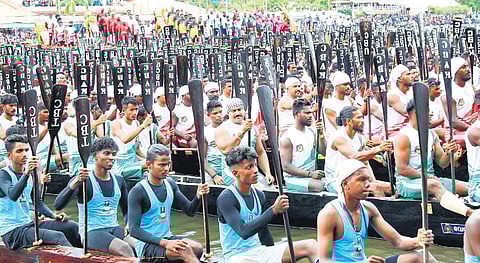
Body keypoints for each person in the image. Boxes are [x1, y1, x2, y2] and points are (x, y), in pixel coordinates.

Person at [317, 159, 437, 263]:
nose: (368, 184)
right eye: (362, 180)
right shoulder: (329, 214)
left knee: (422, 256)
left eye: (368, 180)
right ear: (345, 184)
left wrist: (419, 241)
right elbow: (324, 261)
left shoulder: (369, 209)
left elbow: (398, 241)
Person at [217, 146, 320, 263]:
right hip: (236, 256)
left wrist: (273, 253)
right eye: (249, 167)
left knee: (311, 245)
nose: (255, 170)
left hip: (259, 251)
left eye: (255, 165)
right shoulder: (226, 198)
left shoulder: (259, 195)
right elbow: (243, 232)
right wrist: (273, 210)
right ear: (235, 173)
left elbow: (263, 230)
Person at [54, 137, 134, 256]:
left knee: (140, 244)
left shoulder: (119, 180)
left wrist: (128, 224)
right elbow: (58, 205)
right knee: (124, 248)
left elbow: (127, 210)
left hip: (114, 227)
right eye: (106, 153)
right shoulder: (84, 180)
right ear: (95, 156)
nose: (111, 157)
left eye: (113, 154)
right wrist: (76, 182)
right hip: (91, 232)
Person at [128, 144, 208, 263]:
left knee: (197, 248)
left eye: (168, 164)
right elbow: (134, 230)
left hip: (167, 237)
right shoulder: (137, 191)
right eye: (161, 165)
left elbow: (190, 211)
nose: (166, 168)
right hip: (146, 247)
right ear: (149, 164)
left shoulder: (170, 183)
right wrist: (165, 243)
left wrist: (198, 196)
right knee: (184, 251)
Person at [0, 134, 81, 250]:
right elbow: (13, 195)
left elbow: (38, 202)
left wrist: (54, 215)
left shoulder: (30, 174)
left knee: (71, 226)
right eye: (19, 151)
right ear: (10, 156)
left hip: (29, 224)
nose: (24, 154)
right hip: (12, 231)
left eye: (26, 150)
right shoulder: (3, 175)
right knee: (57, 236)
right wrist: (26, 173)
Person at [395, 99, 472, 217]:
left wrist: (450, 153)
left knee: (469, 187)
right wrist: (426, 176)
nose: (431, 114)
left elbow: (442, 163)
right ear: (415, 114)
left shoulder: (432, 134)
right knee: (433, 185)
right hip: (407, 183)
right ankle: (471, 214)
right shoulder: (404, 136)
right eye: (427, 111)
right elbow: (402, 169)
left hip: (431, 179)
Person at [324, 106, 392, 196]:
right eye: (359, 118)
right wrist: (378, 148)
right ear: (348, 121)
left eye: (362, 117)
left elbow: (365, 162)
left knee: (391, 188)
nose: (363, 120)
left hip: (354, 178)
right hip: (336, 181)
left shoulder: (360, 138)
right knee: (376, 189)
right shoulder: (339, 138)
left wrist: (373, 181)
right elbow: (354, 156)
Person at [215, 98, 274, 186]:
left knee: (270, 188)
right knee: (257, 188)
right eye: (233, 111)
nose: (237, 113)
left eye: (239, 110)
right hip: (232, 171)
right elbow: (226, 151)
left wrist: (267, 173)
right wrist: (242, 131)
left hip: (251, 169)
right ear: (228, 113)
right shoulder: (222, 129)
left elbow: (260, 152)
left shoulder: (252, 127)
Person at [280, 98, 326, 192]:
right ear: (297, 114)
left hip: (311, 177)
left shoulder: (312, 132)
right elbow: (286, 166)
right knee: (320, 186)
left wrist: (321, 134)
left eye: (311, 113)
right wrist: (309, 174)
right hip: (293, 179)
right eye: (307, 113)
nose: (311, 116)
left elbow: (324, 152)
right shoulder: (287, 137)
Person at [111, 96, 152, 181]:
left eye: (136, 109)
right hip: (119, 167)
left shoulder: (136, 123)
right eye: (131, 110)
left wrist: (150, 158)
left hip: (133, 162)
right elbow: (125, 139)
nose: (135, 112)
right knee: (151, 164)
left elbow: (136, 149)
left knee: (155, 161)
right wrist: (143, 126)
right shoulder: (116, 123)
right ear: (123, 110)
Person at [441, 57, 476, 135]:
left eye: (467, 66)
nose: (468, 69)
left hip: (471, 126)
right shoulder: (449, 94)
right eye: (463, 67)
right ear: (455, 71)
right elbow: (454, 122)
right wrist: (474, 128)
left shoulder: (470, 86)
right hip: (455, 132)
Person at [323, 71, 353, 139]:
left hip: (349, 138)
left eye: (349, 84)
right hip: (336, 142)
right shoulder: (330, 105)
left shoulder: (349, 100)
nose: (348, 87)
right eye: (345, 84)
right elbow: (339, 127)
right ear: (336, 86)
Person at [387, 64, 414, 130]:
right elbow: (406, 112)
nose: (412, 76)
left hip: (409, 129)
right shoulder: (392, 95)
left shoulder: (412, 92)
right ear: (399, 78)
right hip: (394, 131)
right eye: (408, 74)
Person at [205, 100, 225, 185]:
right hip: (212, 171)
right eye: (215, 113)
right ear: (208, 115)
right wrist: (214, 176)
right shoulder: (205, 132)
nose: (219, 115)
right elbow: (202, 158)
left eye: (220, 112)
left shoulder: (229, 128)